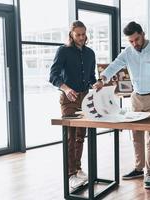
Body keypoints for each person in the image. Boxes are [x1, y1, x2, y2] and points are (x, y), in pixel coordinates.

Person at [94, 21, 150, 189]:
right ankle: (139, 168)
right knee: (136, 137)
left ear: (143, 34)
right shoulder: (128, 52)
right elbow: (114, 66)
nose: (134, 44)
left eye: (137, 39)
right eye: (131, 41)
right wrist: (101, 80)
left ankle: (149, 174)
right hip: (136, 98)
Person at [49, 20, 97, 191]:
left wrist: (97, 84)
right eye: (78, 34)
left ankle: (77, 169)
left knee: (80, 136)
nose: (82, 37)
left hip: (85, 98)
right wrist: (66, 88)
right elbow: (53, 76)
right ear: (71, 34)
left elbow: (91, 77)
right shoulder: (63, 51)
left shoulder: (90, 53)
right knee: (70, 137)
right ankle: (70, 175)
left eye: (84, 34)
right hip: (68, 98)